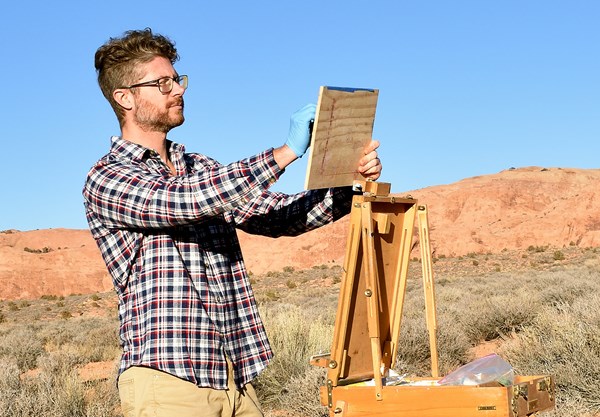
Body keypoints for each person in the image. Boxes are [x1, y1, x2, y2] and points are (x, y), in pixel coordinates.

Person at [83, 28, 382, 417]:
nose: (178, 89)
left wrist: (349, 185)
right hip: (168, 382)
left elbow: (278, 217)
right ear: (125, 97)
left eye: (177, 79)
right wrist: (286, 152)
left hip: (235, 378)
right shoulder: (107, 177)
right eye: (163, 83)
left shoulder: (201, 168)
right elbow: (185, 201)